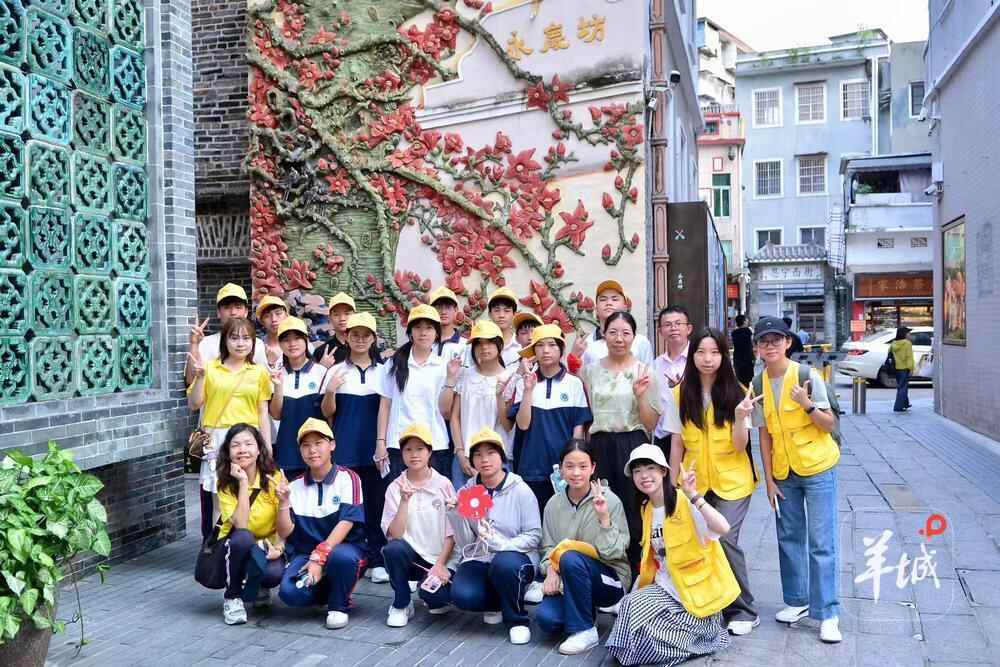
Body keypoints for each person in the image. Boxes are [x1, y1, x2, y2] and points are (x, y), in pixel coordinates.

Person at [659, 327, 760, 635]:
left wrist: (741, 417)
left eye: (715, 352)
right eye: (701, 352)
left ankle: (744, 609)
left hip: (733, 481)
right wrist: (672, 485)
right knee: (701, 542)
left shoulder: (737, 392)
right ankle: (714, 601)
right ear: (692, 356)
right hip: (695, 482)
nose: (707, 359)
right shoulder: (680, 394)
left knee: (725, 538)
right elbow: (677, 444)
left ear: (724, 356)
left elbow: (741, 445)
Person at [752, 316, 842, 643]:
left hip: (817, 468)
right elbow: (764, 435)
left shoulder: (807, 376)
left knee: (821, 543)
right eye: (764, 341)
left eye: (777, 340)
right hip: (783, 473)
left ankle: (828, 613)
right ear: (757, 348)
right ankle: (798, 601)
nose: (771, 346)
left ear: (788, 342)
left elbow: (830, 424)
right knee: (788, 538)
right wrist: (768, 481)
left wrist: (807, 406)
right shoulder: (757, 383)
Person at [606, 444, 738, 666]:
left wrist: (694, 495)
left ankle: (700, 642)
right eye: (637, 471)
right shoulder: (647, 508)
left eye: (650, 468)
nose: (644, 475)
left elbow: (723, 528)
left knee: (638, 624)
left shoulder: (684, 501)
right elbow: (654, 559)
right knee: (633, 613)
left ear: (664, 471)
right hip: (666, 590)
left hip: (696, 599)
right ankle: (662, 648)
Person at [535, 440, 630, 655]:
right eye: (569, 466)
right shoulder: (553, 504)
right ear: (561, 469)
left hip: (609, 580)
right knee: (548, 620)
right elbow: (547, 548)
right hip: (567, 580)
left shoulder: (610, 500)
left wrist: (603, 517)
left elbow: (615, 552)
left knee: (570, 557)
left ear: (593, 468)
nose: (576, 473)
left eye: (583, 466)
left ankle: (584, 630)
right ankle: (586, 612)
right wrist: (550, 570)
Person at [448, 428, 542, 645]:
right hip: (480, 556)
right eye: (478, 455)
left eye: (491, 453)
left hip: (517, 556)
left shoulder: (520, 490)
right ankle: (498, 601)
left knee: (504, 565)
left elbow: (534, 535)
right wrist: (455, 515)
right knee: (463, 595)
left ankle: (517, 619)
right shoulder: (466, 492)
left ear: (502, 456)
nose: (484, 460)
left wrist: (504, 545)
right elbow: (465, 542)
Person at [581, 311, 660, 568]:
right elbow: (587, 415)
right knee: (602, 502)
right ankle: (608, 565)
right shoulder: (590, 371)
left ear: (634, 337)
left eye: (626, 333)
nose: (619, 338)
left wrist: (640, 395)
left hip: (633, 443)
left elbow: (651, 423)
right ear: (603, 335)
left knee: (634, 505)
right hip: (600, 444)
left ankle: (638, 566)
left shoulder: (644, 371)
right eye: (613, 332)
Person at [187, 317, 274, 539]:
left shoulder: (259, 372)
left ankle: (248, 546)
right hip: (217, 440)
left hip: (249, 439)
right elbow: (194, 404)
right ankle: (220, 548)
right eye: (234, 338)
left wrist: (266, 447)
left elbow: (263, 412)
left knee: (251, 492)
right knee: (220, 498)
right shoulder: (210, 368)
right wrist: (200, 378)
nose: (240, 343)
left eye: (246, 338)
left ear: (253, 342)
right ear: (225, 341)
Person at [276, 419, 367, 630]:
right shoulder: (294, 486)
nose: (312, 450)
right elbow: (285, 531)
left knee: (342, 558)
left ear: (332, 445)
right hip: (306, 554)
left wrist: (320, 555)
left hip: (342, 549)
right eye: (306, 445)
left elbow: (347, 521)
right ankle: (329, 589)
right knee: (289, 593)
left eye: (318, 443)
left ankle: (339, 605)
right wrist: (283, 502)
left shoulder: (349, 478)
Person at [321, 312, 389, 583]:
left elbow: (388, 410)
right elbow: (327, 413)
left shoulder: (384, 372)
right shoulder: (336, 371)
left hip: (375, 452)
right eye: (355, 335)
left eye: (366, 335)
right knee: (349, 508)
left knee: (377, 505)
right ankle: (352, 559)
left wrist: (382, 444)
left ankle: (377, 560)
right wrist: (330, 391)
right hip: (345, 450)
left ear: (373, 339)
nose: (360, 340)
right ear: (347, 338)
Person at [380, 423, 458, 626]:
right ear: (402, 454)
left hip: (440, 558)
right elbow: (395, 535)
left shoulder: (444, 485)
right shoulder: (395, 487)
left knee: (436, 598)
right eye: (408, 449)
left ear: (430, 452)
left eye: (420, 449)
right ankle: (402, 603)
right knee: (393, 549)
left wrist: (440, 565)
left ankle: (432, 593)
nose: (414, 454)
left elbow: (452, 534)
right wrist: (404, 501)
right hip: (411, 558)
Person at [511, 324, 593, 513]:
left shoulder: (574, 383)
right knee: (533, 521)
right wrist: (528, 390)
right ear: (533, 351)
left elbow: (578, 432)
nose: (546, 350)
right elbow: (522, 424)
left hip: (564, 472)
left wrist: (572, 466)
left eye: (551, 345)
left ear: (561, 349)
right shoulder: (525, 382)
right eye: (540, 345)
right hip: (530, 467)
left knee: (564, 520)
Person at [212, 424, 286, 625]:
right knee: (243, 538)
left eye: (248, 444)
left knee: (273, 574)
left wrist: (280, 547)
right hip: (233, 546)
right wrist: (243, 482)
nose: (242, 449)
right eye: (235, 445)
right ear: (228, 452)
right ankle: (232, 597)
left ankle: (258, 585)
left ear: (259, 449)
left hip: (266, 546)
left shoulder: (274, 477)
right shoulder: (225, 483)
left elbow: (284, 521)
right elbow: (241, 525)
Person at [377, 304, 461, 480]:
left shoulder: (444, 366)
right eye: (418, 327)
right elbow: (385, 405)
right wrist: (381, 442)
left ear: (436, 333)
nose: (423, 333)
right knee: (400, 494)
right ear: (410, 332)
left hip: (434, 445)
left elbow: (446, 411)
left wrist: (450, 380)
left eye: (429, 328)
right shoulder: (394, 364)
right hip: (399, 445)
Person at [450, 320, 517, 489]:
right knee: (463, 504)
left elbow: (508, 425)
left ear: (499, 345)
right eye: (479, 343)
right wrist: (460, 452)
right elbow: (455, 416)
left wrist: (499, 394)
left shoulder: (509, 378)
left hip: (498, 458)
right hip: (465, 457)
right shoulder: (465, 375)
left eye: (489, 342)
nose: (484, 347)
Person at [268, 316, 326, 481]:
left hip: (317, 453)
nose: (292, 344)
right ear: (280, 344)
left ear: (306, 340)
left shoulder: (321, 372)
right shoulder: (276, 374)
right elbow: (276, 414)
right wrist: (278, 386)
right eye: (286, 340)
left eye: (297, 338)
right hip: (287, 450)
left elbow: (328, 414)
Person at [186, 283, 268, 385]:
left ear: (246, 312)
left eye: (238, 307)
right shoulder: (206, 343)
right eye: (227, 307)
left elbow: (265, 382)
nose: (233, 312)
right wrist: (194, 344)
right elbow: (191, 381)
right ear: (218, 312)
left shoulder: (257, 344)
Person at [572, 280, 654, 368]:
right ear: (596, 309)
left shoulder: (640, 342)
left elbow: (648, 373)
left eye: (614, 299)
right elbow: (577, 375)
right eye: (603, 299)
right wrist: (574, 357)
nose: (608, 303)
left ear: (625, 307)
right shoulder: (585, 343)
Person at [313, 292, 355, 367]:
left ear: (355, 316)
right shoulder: (322, 351)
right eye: (336, 314)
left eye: (347, 314)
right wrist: (322, 367)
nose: (342, 318)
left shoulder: (365, 347)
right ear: (329, 318)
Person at [485, 287, 523, 365]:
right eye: (497, 310)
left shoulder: (521, 345)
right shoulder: (481, 345)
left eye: (507, 311)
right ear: (489, 314)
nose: (501, 315)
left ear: (514, 314)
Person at [429, 287, 468, 361]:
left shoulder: (465, 345)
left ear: (456, 310)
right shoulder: (425, 341)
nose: (443, 312)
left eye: (448, 307)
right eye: (439, 307)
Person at [256, 295, 289, 369]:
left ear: (287, 315)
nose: (274, 319)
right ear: (261, 321)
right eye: (267, 316)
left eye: (278, 313)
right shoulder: (256, 346)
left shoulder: (299, 344)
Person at [889, 326, 914, 412]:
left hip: (896, 368)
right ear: (904, 334)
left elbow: (890, 354)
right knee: (903, 388)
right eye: (908, 333)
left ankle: (905, 403)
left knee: (902, 386)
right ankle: (898, 407)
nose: (909, 334)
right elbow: (909, 357)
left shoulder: (893, 343)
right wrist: (911, 368)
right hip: (904, 368)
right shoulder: (907, 343)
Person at [730, 314, 755, 387]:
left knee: (740, 378)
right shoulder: (748, 331)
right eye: (746, 320)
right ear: (744, 322)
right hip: (747, 358)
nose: (747, 322)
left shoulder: (734, 333)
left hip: (737, 358)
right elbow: (753, 343)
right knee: (749, 378)